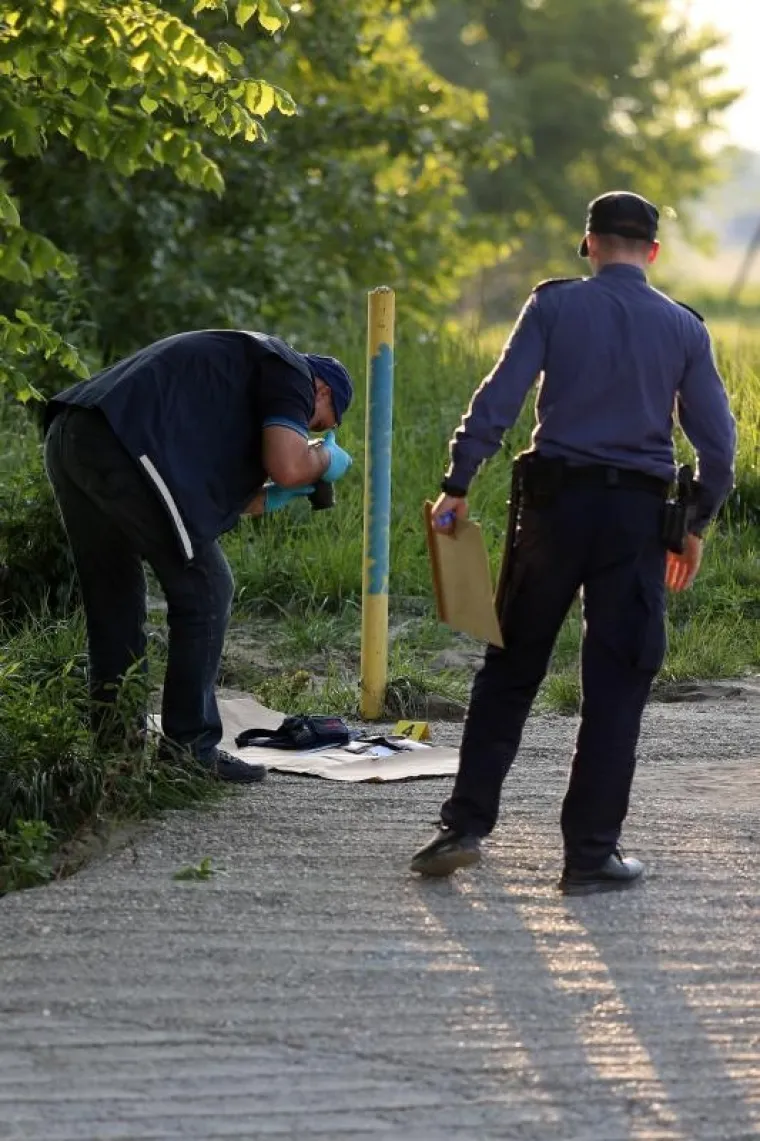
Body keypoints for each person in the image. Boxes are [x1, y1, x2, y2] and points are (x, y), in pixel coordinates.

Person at [411, 191, 737, 894]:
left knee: (510, 668)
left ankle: (463, 825)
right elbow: (719, 447)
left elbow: (498, 397)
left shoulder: (552, 307)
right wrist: (695, 524)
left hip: (553, 513)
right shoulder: (684, 328)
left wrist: (457, 481)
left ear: (588, 244)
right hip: (638, 524)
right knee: (617, 684)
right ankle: (589, 855)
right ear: (652, 252)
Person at [43, 329, 354, 783]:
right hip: (121, 443)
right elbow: (289, 464)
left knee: (115, 600)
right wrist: (324, 461)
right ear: (322, 389)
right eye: (321, 426)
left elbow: (238, 497)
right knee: (208, 588)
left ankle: (115, 756)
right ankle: (190, 752)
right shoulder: (292, 372)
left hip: (76, 433)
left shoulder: (243, 387)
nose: (312, 433)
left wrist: (282, 494)